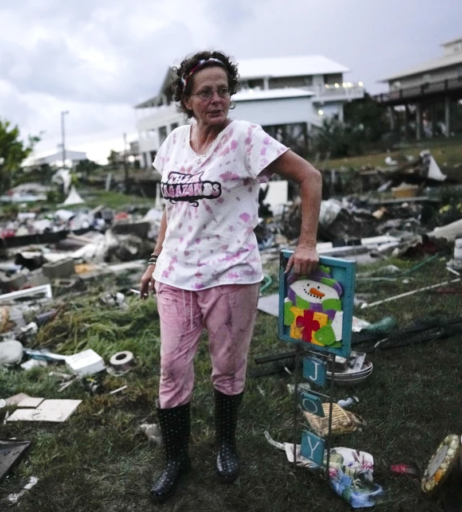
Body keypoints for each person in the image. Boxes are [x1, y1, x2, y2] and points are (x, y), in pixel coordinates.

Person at [139, 50, 322, 502]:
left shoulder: (246, 139)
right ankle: (176, 459)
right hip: (176, 277)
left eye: (223, 90)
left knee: (227, 367)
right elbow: (171, 208)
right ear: (186, 99)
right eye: (206, 92)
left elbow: (310, 176)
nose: (217, 99)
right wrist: (153, 259)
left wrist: (306, 243)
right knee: (172, 369)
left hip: (232, 275)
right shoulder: (173, 144)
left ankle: (225, 444)